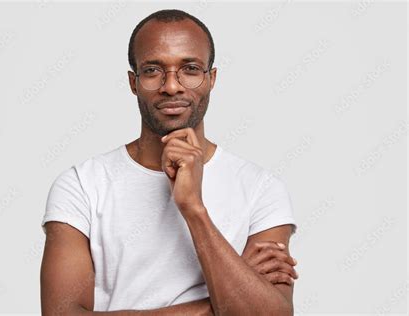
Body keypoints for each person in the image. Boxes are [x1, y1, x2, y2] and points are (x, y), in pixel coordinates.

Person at [40, 9, 298, 315]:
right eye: (152, 71)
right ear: (133, 82)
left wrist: (193, 208)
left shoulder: (261, 189)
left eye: (190, 68)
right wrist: (221, 302)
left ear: (211, 79)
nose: (172, 86)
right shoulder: (81, 186)